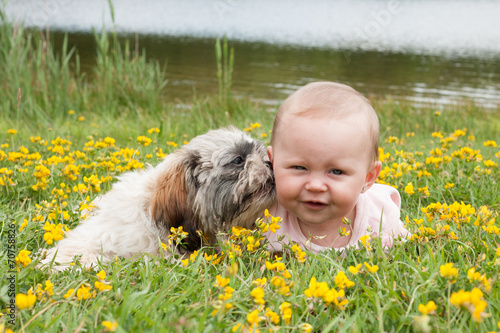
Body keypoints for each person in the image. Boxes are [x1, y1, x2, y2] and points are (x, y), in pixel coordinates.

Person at [264, 81, 410, 253]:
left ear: (367, 178)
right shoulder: (265, 217)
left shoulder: (380, 221)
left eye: (336, 171)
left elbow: (410, 254)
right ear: (272, 163)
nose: (315, 186)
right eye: (299, 168)